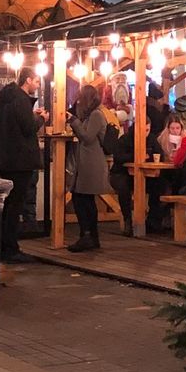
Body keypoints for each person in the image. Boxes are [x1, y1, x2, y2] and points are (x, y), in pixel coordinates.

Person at [0, 70, 44, 262]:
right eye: (37, 81)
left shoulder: (3, 101)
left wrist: (31, 115)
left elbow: (9, 125)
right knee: (16, 205)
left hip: (5, 158)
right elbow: (28, 128)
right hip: (20, 160)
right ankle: (11, 249)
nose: (38, 85)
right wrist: (41, 119)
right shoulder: (21, 99)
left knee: (8, 204)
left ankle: (3, 246)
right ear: (28, 80)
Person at [68, 84, 109, 252]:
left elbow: (87, 137)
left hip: (92, 164)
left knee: (82, 198)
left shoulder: (96, 115)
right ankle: (90, 236)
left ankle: (87, 236)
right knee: (84, 199)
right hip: (87, 162)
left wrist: (74, 121)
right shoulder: (91, 115)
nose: (78, 101)